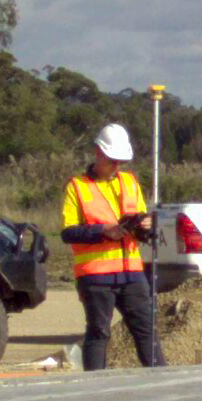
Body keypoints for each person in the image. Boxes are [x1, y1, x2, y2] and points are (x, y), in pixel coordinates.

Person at [60, 122, 166, 370]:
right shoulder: (77, 187)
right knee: (98, 333)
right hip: (96, 276)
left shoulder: (130, 182)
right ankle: (94, 389)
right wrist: (103, 231)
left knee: (146, 331)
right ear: (98, 153)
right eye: (112, 160)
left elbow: (139, 222)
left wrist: (146, 226)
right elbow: (68, 233)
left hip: (131, 272)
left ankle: (161, 381)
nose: (117, 166)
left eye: (120, 162)